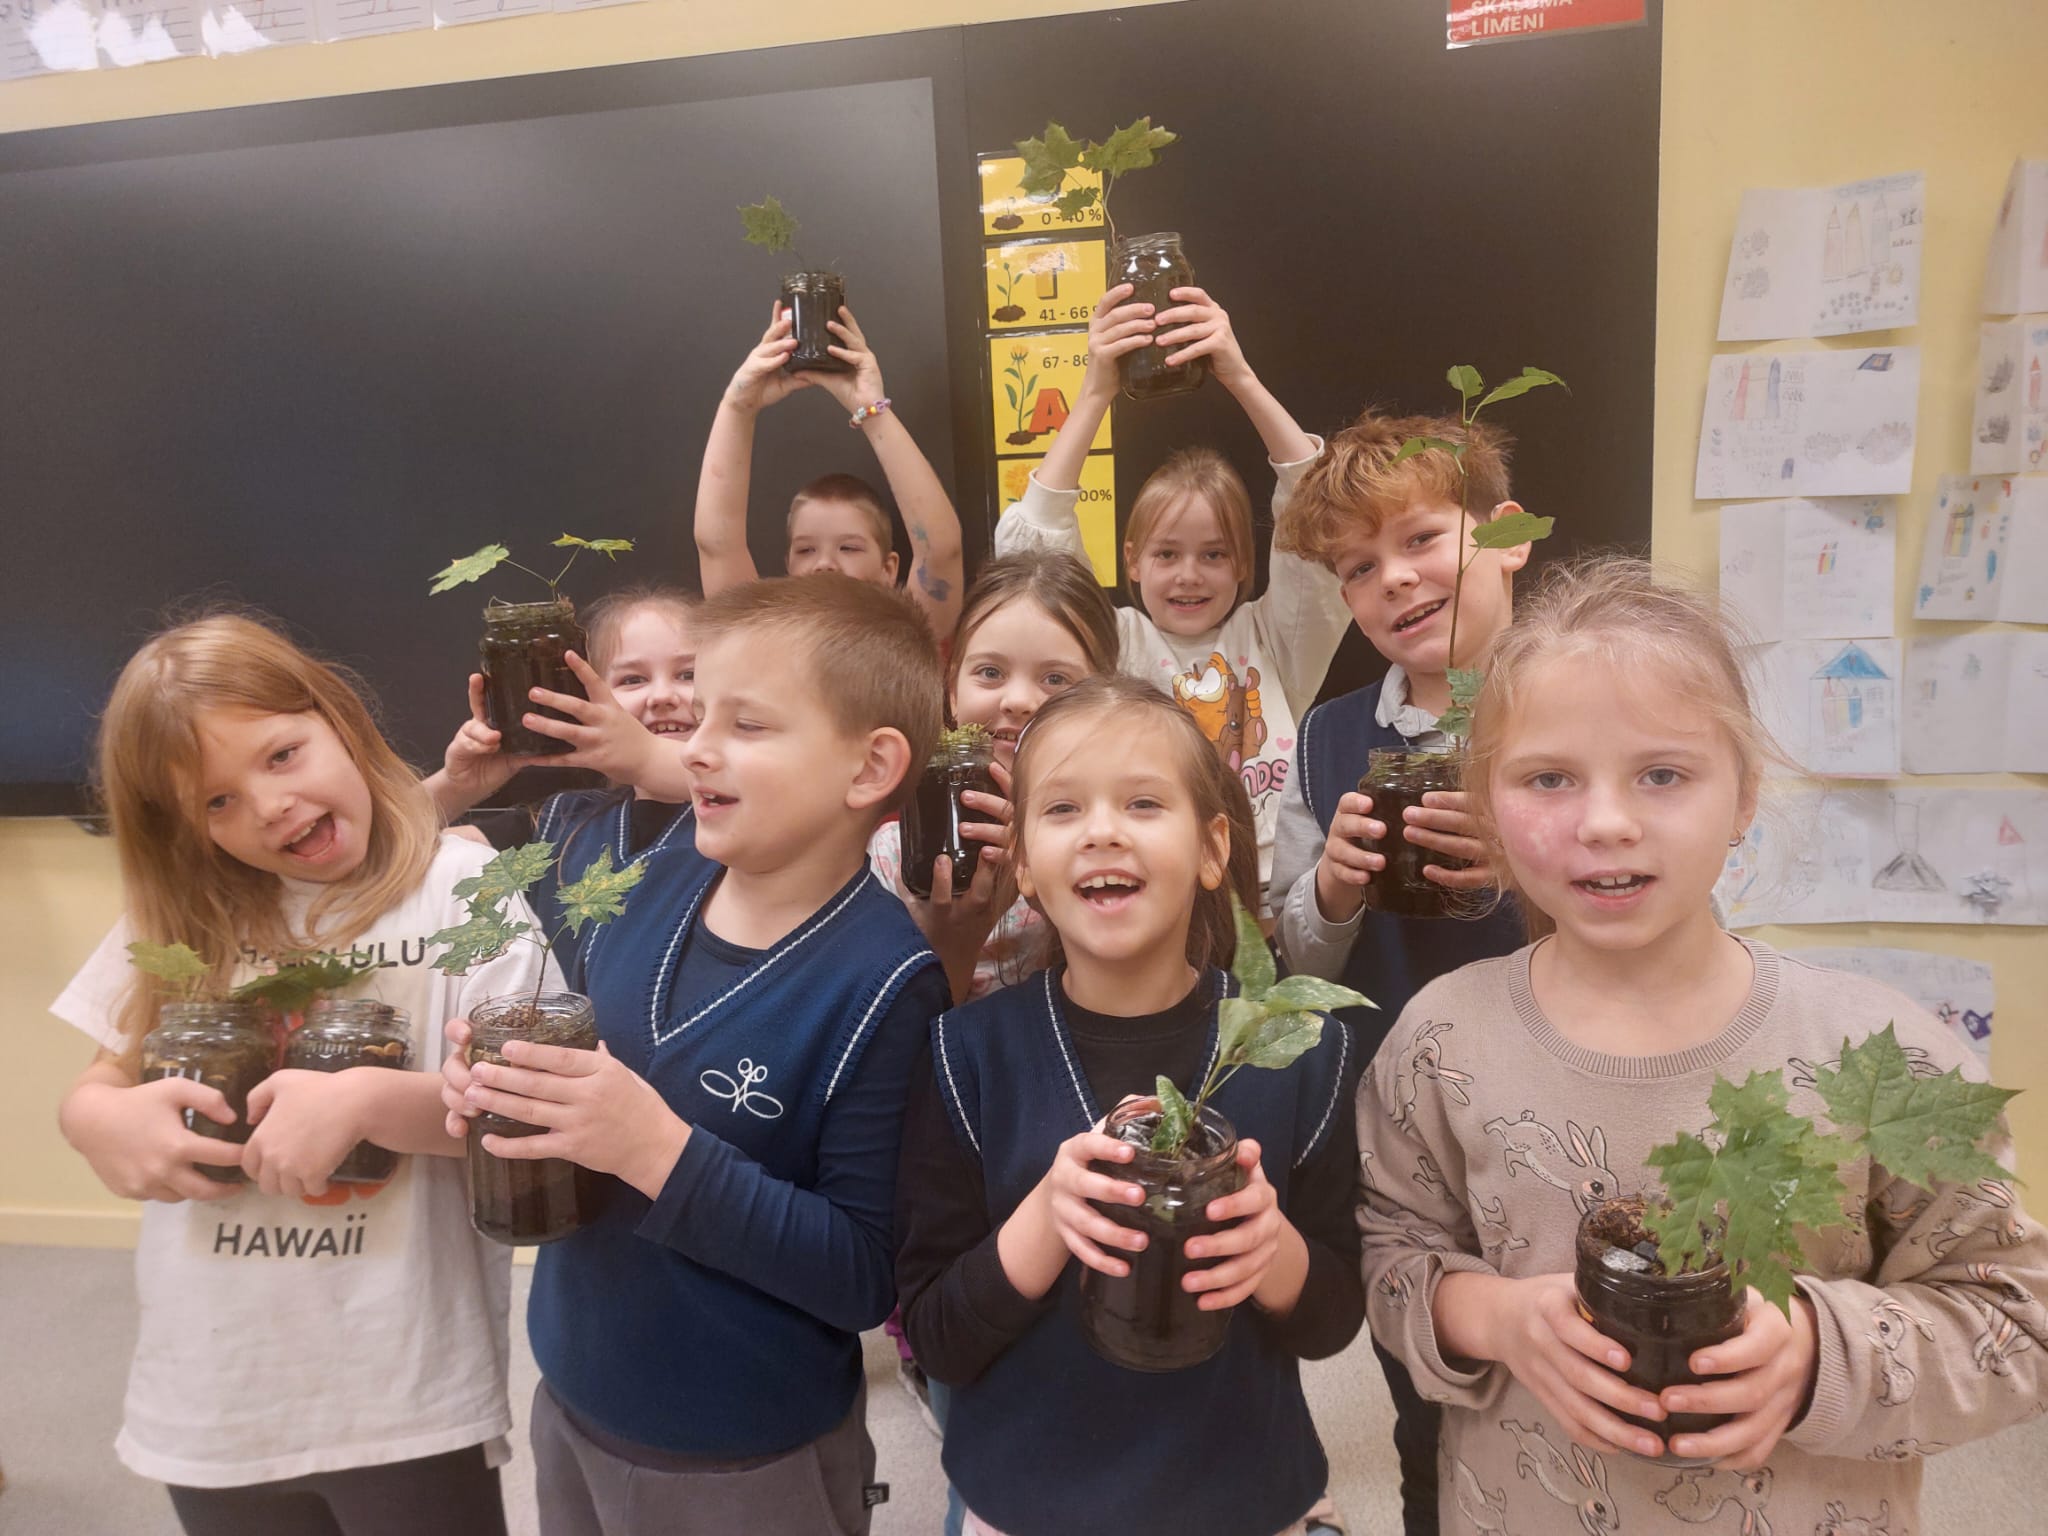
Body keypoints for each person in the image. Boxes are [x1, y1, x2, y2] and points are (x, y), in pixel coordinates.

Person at [1358, 558, 2048, 1534]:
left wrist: (1816, 1353)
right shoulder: (1439, 1040)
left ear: (1743, 797)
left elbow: (2015, 1321)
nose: (1605, 822)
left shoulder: (1884, 1057)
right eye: (1548, 778)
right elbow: (1391, 1255)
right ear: (1487, 807)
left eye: (1662, 774)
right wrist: (1495, 1319)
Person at [440, 574, 951, 1536]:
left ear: (870, 766)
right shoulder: (645, 876)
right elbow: (588, 1078)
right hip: (572, 1392)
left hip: (745, 1455)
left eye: (746, 724)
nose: (697, 747)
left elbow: (863, 1275)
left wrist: (655, 1149)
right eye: (701, 714)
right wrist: (507, 1085)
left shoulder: (888, 983)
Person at [54, 613, 549, 1536]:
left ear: (338, 719)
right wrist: (95, 1121)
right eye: (216, 802)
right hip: (211, 1396)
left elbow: (520, 1112)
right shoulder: (183, 917)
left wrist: (366, 1101)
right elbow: (97, 1086)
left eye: (282, 755)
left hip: (402, 1389)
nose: (270, 806)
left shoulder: (464, 890)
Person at [896, 675, 1364, 1536]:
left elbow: (1334, 1320)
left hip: (1243, 1498)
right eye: (1063, 809)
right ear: (1024, 864)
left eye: (1144, 803)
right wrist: (1048, 1216)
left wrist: (1272, 1252)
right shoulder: (966, 1057)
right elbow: (937, 1340)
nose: (1103, 831)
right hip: (1025, 1502)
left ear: (1212, 848)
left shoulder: (1303, 1054)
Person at [1265, 410, 1541, 1534]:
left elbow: (1674, 909)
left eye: (1422, 539)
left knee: (1576, 1396)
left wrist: (1528, 870)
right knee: (1429, 1414)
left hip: (1558, 1127)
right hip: (1403, 1139)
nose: (1394, 580)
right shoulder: (1327, 738)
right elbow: (1296, 957)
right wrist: (1331, 890)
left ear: (1506, 533)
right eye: (1357, 567)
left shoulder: (1583, 705)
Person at [993, 286, 1348, 905]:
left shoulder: (1275, 639)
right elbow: (1033, 554)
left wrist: (1239, 376)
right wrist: (1096, 391)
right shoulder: (1112, 642)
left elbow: (1318, 511)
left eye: (1213, 554)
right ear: (1132, 560)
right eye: (1166, 555)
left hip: (1272, 894)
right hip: (1148, 890)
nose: (1189, 575)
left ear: (1243, 564)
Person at [870, 550, 1119, 1004]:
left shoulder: (1113, 843)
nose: (1018, 700)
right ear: (951, 690)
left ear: (1105, 696)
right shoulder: (895, 857)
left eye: (1056, 679)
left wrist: (1048, 884)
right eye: (990, 672)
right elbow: (889, 1033)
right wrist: (950, 945)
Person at [425, 584, 699, 986]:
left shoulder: (755, 820)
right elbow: (383, 847)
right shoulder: (563, 824)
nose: (662, 696)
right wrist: (457, 785)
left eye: (689, 674)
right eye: (633, 679)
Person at [694, 304, 964, 636]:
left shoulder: (912, 640)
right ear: (788, 566)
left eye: (849, 548)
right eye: (805, 550)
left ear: (889, 569)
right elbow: (717, 545)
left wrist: (871, 409)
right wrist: (738, 406)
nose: (824, 564)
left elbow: (941, 550)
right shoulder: (761, 642)